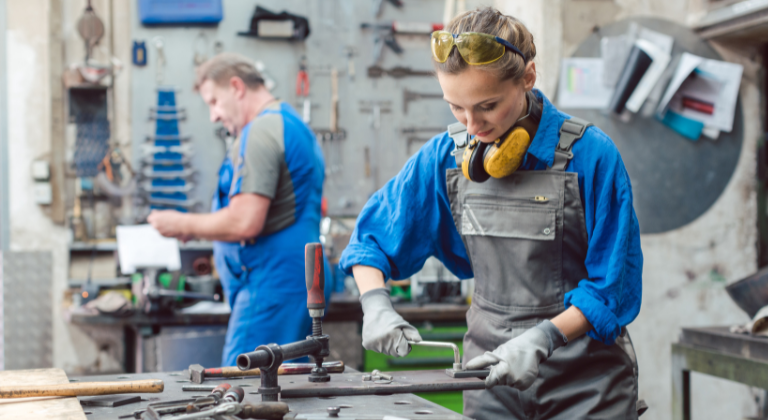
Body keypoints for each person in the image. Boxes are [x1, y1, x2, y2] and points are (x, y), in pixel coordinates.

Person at [339, 7, 643, 419]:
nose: (472, 125)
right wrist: (375, 303)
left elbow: (614, 286)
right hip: (487, 378)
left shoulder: (590, 156)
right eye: (456, 108)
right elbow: (372, 238)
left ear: (528, 78)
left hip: (586, 386)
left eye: (487, 105)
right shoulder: (446, 156)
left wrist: (543, 338)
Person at [148, 53, 329, 367]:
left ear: (236, 87)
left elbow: (246, 221)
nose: (213, 116)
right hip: (290, 281)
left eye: (214, 101)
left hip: (269, 286)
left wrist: (182, 223)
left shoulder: (260, 132)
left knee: (244, 390)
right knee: (283, 389)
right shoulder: (292, 124)